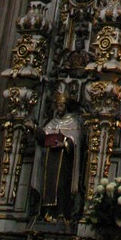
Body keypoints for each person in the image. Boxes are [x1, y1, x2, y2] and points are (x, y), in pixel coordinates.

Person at [26, 92, 81, 222]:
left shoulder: (73, 122)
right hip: (51, 160)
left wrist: (65, 143)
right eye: (58, 106)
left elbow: (77, 140)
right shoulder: (53, 122)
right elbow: (43, 137)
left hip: (64, 162)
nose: (59, 109)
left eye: (61, 106)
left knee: (61, 186)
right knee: (48, 186)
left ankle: (62, 213)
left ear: (66, 107)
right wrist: (34, 128)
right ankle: (48, 213)